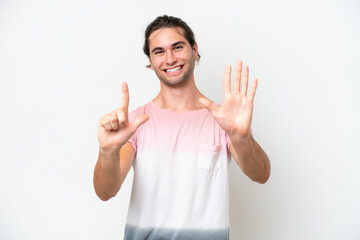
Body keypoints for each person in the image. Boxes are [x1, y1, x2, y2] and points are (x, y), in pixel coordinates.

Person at [93, 15, 270, 240]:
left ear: (194, 50)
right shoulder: (135, 122)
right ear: (151, 60)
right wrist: (106, 152)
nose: (170, 58)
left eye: (177, 47)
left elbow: (261, 175)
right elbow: (106, 191)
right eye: (159, 51)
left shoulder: (223, 119)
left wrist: (241, 137)